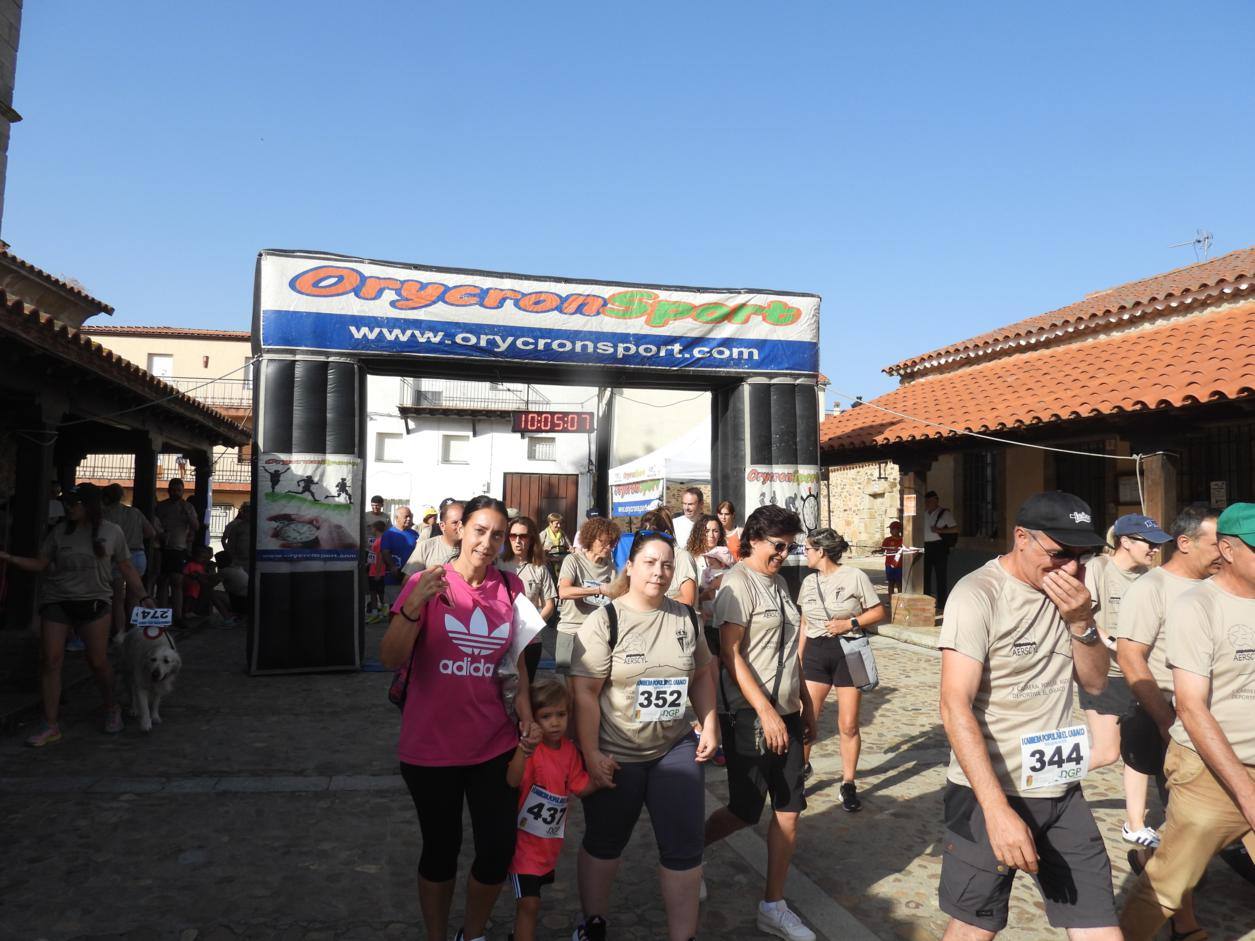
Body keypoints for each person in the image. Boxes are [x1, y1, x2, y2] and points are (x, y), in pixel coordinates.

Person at [936, 491, 1119, 940]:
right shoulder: (977, 594)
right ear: (1022, 538)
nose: (1072, 569)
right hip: (991, 792)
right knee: (973, 928)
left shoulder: (1076, 594)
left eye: (1082, 556)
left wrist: (1082, 621)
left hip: (1061, 788)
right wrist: (996, 810)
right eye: (1059, 554)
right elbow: (953, 704)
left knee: (1099, 924)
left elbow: (1095, 683)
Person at [379, 495, 546, 941]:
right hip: (430, 747)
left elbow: (518, 668)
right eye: (479, 530)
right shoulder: (427, 582)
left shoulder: (511, 589)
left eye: (497, 534)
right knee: (441, 849)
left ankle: (472, 934)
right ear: (460, 530)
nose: (488, 542)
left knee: (496, 849)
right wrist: (415, 606)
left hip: (493, 743)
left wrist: (527, 718)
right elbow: (389, 657)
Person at [570, 528, 718, 941]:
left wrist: (710, 721)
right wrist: (590, 753)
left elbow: (704, 672)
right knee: (604, 841)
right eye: (650, 563)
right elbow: (583, 693)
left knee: (684, 847)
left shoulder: (686, 617)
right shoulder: (606, 621)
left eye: (667, 564)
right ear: (630, 567)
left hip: (674, 748)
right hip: (618, 753)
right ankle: (593, 923)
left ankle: (682, 936)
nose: (660, 571)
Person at [1120, 502, 1255, 940]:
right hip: (1204, 762)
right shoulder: (1192, 603)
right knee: (1167, 883)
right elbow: (1186, 701)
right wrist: (1164, 720)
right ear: (1230, 549)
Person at [704, 505, 818, 941]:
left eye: (790, 547)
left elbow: (790, 652)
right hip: (752, 715)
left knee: (789, 811)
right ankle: (688, 853)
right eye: (778, 545)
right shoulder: (737, 584)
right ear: (753, 539)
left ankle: (773, 904)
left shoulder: (782, 583)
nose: (785, 554)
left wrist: (805, 704)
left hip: (786, 712)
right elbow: (731, 656)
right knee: (744, 810)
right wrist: (767, 711)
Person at [1, 484, 154, 746]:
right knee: (50, 660)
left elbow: (126, 567)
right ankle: (50, 724)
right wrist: (9, 558)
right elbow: (41, 563)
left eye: (75, 503)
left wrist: (143, 596)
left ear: (89, 505)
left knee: (97, 661)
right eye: (67, 503)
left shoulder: (111, 532)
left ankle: (111, 706)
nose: (69, 508)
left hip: (94, 603)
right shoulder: (59, 532)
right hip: (57, 601)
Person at [1080, 514, 1172, 849]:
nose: (1154, 550)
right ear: (1126, 541)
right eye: (1149, 543)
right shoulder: (1098, 570)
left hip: (1141, 676)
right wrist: (1112, 644)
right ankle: (1036, 783)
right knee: (1105, 753)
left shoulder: (1150, 578)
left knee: (1137, 752)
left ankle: (1134, 825)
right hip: (1106, 675)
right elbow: (1081, 615)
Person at [797, 528, 887, 806]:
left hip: (850, 652)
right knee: (806, 720)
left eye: (808, 549)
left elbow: (878, 611)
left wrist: (849, 623)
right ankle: (799, 773)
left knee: (848, 724)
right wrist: (799, 660)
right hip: (815, 653)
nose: (805, 554)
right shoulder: (808, 583)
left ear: (821, 551)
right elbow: (804, 624)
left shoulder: (855, 577)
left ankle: (848, 782)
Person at [506, 677, 594, 941]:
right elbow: (512, 780)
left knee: (530, 901)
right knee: (529, 904)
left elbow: (581, 786)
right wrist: (524, 749)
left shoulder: (569, 751)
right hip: (521, 846)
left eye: (561, 714)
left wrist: (602, 778)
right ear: (533, 718)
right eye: (546, 716)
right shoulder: (531, 750)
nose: (555, 722)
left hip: (547, 847)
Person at [555, 517, 621, 673]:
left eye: (612, 543)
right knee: (568, 688)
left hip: (596, 633)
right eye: (603, 542)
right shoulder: (573, 561)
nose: (608, 547)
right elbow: (564, 592)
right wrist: (597, 590)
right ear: (591, 539)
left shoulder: (611, 568)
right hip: (571, 630)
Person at [500, 514, 559, 680]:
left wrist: (531, 628)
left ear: (531, 539)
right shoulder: (497, 564)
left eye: (523, 536)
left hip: (530, 640)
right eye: (513, 536)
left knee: (525, 687)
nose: (518, 541)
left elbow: (549, 605)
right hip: (501, 637)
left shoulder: (540, 568)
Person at [101, 483, 156, 641]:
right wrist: (136, 536)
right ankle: (136, 633)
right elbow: (151, 532)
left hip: (118, 558)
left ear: (105, 497)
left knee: (117, 599)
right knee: (134, 597)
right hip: (138, 555)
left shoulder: (106, 514)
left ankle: (120, 634)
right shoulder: (135, 512)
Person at [153, 478, 200, 625]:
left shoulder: (188, 507)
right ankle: (162, 616)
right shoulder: (161, 507)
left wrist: (187, 514)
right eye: (173, 490)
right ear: (168, 490)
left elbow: (196, 527)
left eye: (178, 490)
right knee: (162, 582)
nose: (175, 493)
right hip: (161, 548)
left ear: (182, 491)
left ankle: (177, 617)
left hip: (178, 549)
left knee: (177, 582)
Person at [402, 500, 463, 578]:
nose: (461, 526)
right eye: (455, 523)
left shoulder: (473, 549)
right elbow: (409, 583)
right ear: (442, 526)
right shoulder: (425, 546)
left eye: (464, 522)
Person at [923, 490, 958, 609]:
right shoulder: (923, 514)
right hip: (926, 546)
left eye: (931, 501)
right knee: (925, 575)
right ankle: (926, 601)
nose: (928, 503)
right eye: (927, 501)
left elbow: (955, 529)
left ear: (936, 501)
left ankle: (941, 604)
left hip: (939, 547)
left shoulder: (944, 513)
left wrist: (940, 531)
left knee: (941, 576)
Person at [182, 544, 235, 622]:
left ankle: (190, 612)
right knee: (190, 599)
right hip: (192, 586)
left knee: (201, 596)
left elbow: (207, 580)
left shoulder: (203, 566)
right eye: (202, 557)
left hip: (197, 586)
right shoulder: (192, 565)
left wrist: (203, 576)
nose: (203, 559)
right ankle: (187, 612)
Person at [380, 505, 419, 606]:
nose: (409, 519)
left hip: (411, 579)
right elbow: (385, 553)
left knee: (410, 608)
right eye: (406, 516)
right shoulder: (388, 534)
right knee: (394, 608)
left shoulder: (415, 534)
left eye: (410, 516)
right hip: (394, 579)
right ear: (397, 518)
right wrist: (393, 568)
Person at [365, 519, 389, 621]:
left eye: (372, 528)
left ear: (376, 528)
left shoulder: (380, 541)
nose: (371, 530)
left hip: (377, 572)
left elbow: (380, 558)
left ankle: (381, 612)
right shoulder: (377, 540)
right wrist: (368, 564)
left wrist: (378, 572)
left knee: (377, 593)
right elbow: (374, 556)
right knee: (373, 593)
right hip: (373, 570)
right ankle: (376, 613)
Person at [214, 550, 249, 617]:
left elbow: (210, 584)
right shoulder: (238, 568)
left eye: (217, 561)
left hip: (242, 603)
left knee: (213, 594)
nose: (216, 563)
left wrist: (198, 576)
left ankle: (228, 619)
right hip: (246, 602)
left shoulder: (225, 571)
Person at [221, 502, 253, 571]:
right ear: (242, 512)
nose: (248, 514)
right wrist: (230, 554)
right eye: (246, 511)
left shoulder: (258, 526)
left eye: (250, 511)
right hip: (239, 561)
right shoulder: (235, 526)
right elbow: (228, 542)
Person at [880, 520, 904, 600]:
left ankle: (900, 601)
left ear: (899, 530)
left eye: (893, 529)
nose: (891, 531)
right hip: (889, 565)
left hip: (900, 565)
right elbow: (882, 550)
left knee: (899, 584)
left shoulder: (903, 540)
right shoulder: (887, 540)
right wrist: (877, 551)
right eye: (890, 529)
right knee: (891, 583)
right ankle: (890, 600)